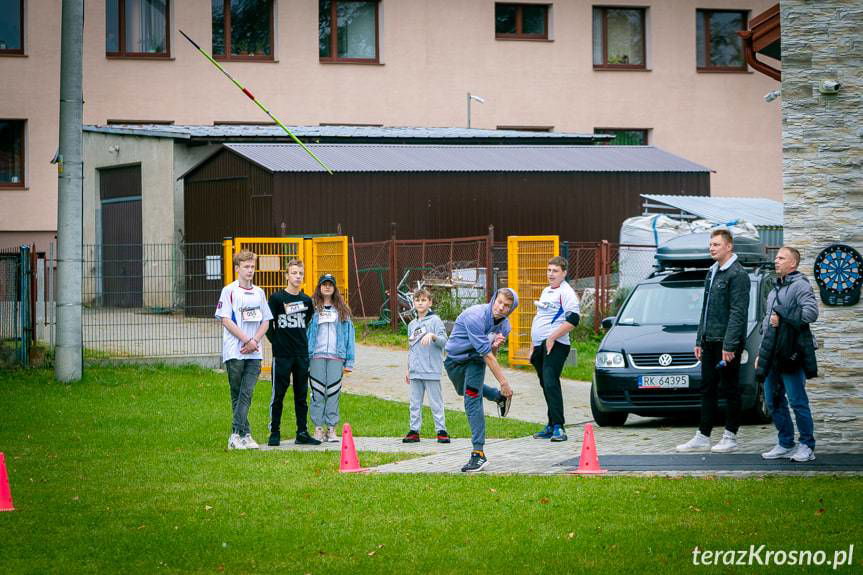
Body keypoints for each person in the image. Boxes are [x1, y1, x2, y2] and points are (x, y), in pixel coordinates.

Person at [677, 229, 750, 453]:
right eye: (710, 244)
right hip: (709, 340)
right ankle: (703, 435)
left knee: (729, 388)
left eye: (716, 244)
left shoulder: (737, 274)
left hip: (727, 343)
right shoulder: (712, 272)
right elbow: (706, 310)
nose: (711, 248)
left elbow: (738, 312)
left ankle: (730, 436)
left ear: (729, 247)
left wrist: (729, 345)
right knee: (706, 387)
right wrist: (700, 339)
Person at [756, 246, 819, 462]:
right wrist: (759, 353)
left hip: (792, 354)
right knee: (773, 400)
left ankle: (807, 446)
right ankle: (785, 443)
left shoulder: (801, 285)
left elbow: (811, 314)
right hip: (772, 354)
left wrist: (782, 316)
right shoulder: (774, 290)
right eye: (776, 258)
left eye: (781, 258)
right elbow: (767, 324)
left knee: (797, 401)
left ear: (793, 263)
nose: (776, 261)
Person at [444, 288, 518, 472]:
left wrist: (495, 346)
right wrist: (504, 384)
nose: (501, 308)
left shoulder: (505, 327)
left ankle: (478, 453)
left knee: (471, 399)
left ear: (511, 309)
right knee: (463, 390)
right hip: (454, 360)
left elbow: (489, 355)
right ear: (494, 299)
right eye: (499, 302)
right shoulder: (475, 317)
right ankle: (498, 396)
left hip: (476, 361)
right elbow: (489, 356)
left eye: (507, 306)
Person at [215, 250, 273, 450]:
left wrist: (254, 341)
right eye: (246, 267)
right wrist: (245, 339)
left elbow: (266, 320)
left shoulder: (259, 292)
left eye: (252, 267)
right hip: (235, 351)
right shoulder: (229, 291)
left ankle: (237, 434)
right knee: (237, 393)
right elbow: (225, 319)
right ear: (237, 269)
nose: (250, 270)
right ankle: (243, 434)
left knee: (246, 393)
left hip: (254, 352)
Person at [265, 259, 321, 447]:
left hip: (301, 354)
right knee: (278, 394)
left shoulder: (306, 301)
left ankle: (302, 432)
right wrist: (278, 341)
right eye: (294, 273)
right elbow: (267, 325)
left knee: (301, 395)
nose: (297, 276)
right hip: (282, 355)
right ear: (287, 276)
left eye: (300, 274)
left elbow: (306, 322)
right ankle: (275, 431)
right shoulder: (276, 299)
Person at [530, 256, 580, 442]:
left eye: (555, 271)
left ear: (564, 273)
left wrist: (552, 337)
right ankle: (551, 425)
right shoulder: (546, 291)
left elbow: (573, 320)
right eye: (549, 270)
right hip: (540, 345)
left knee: (551, 382)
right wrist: (532, 345)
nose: (551, 274)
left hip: (556, 345)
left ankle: (559, 427)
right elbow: (540, 317)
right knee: (545, 384)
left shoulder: (566, 293)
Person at [307, 274, 355, 443]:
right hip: (316, 356)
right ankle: (318, 428)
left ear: (335, 288)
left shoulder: (342, 310)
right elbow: (306, 333)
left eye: (330, 285)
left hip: (336, 357)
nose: (327, 287)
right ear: (319, 287)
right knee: (317, 393)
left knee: (333, 392)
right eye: (324, 284)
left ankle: (332, 429)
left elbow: (350, 337)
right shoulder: (312, 309)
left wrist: (349, 361)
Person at [402, 287, 449, 444]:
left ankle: (441, 431)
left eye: (423, 300)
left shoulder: (435, 320)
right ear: (413, 303)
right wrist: (408, 368)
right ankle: (414, 431)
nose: (420, 303)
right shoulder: (412, 324)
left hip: (431, 370)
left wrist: (433, 335)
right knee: (414, 403)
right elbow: (411, 348)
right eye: (417, 300)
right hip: (416, 371)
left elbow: (445, 342)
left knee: (436, 402)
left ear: (430, 302)